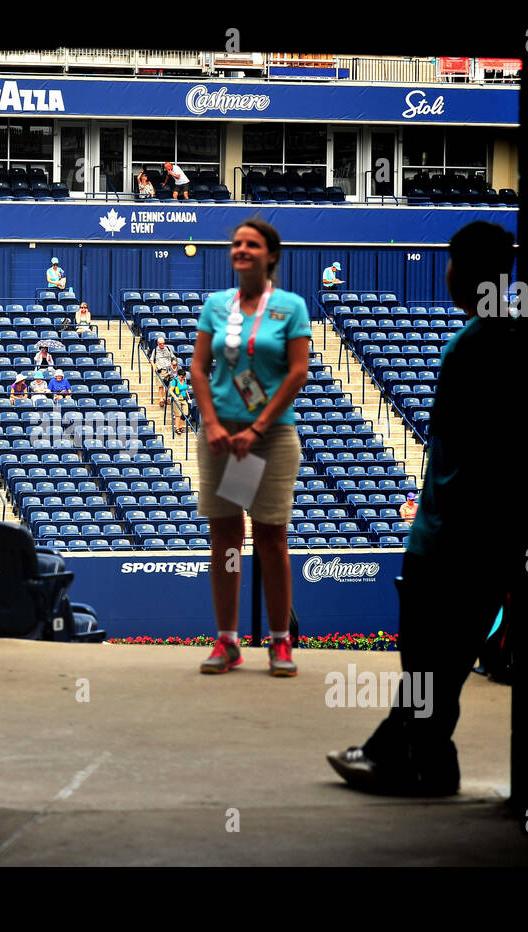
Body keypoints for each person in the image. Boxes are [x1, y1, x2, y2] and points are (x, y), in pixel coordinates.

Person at [327, 220, 522, 796]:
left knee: (426, 658)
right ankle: (407, 751)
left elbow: (462, 450)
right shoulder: (517, 336)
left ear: (460, 270)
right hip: (488, 539)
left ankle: (417, 759)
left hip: (450, 537)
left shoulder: (471, 345)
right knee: (446, 662)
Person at [191, 219, 311, 678]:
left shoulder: (290, 307)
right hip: (222, 437)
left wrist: (256, 428)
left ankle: (280, 643)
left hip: (270, 437)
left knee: (270, 537)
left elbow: (297, 372)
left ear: (271, 255)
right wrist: (214, 424)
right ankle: (227, 641)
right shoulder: (216, 305)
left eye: (252, 244)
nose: (241, 249)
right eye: (237, 244)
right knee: (225, 540)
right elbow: (200, 369)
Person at [151, 336, 176, 406]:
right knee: (160, 385)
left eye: (163, 343)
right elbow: (151, 360)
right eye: (160, 344)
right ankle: (161, 399)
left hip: (168, 369)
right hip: (160, 369)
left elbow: (173, 357)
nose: (162, 345)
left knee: (168, 385)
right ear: (157, 343)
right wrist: (154, 367)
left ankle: (168, 398)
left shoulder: (168, 348)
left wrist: (173, 365)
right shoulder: (155, 350)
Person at [169, 367, 190, 435]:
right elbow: (170, 390)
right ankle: (177, 428)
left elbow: (185, 389)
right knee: (178, 415)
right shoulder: (175, 381)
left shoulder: (184, 380)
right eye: (181, 377)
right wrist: (175, 397)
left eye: (183, 377)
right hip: (177, 399)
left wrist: (188, 397)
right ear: (178, 375)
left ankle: (180, 426)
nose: (182, 378)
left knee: (186, 414)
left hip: (184, 399)